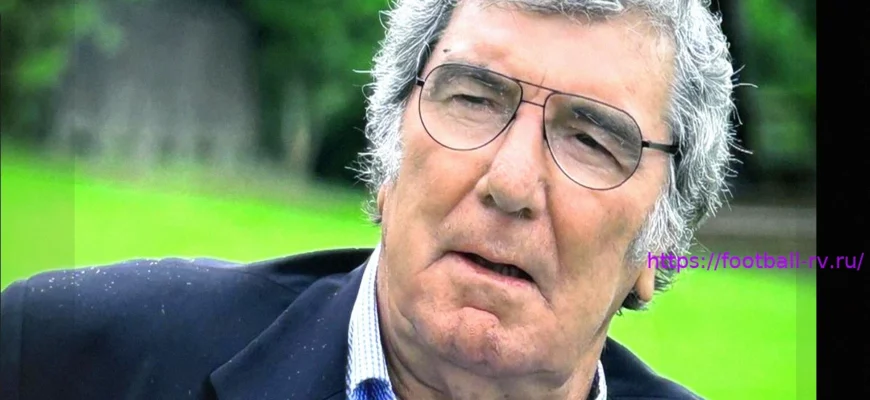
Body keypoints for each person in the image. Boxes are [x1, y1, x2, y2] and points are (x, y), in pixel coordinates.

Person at [1, 0, 739, 398]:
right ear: (386, 163)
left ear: (658, 247)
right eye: (474, 99)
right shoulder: (62, 354)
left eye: (591, 141)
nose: (511, 183)